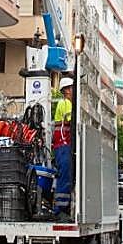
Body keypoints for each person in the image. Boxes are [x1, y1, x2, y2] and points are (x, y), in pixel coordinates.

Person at [52, 76, 75, 218]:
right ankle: (60, 209)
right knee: (65, 174)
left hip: (63, 145)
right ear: (66, 90)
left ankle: (63, 206)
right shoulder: (66, 103)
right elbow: (71, 121)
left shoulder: (65, 103)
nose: (73, 91)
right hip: (63, 144)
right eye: (72, 88)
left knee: (66, 174)